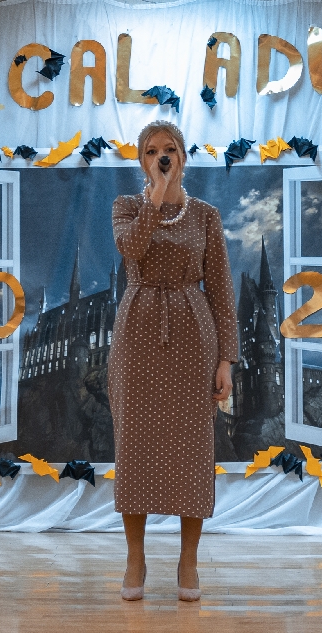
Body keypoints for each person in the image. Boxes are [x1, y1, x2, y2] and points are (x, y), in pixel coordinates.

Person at [108, 120, 238, 602]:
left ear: (183, 156)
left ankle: (189, 560)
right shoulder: (126, 207)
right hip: (137, 333)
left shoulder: (206, 216)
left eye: (169, 150)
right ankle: (135, 558)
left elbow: (221, 287)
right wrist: (157, 195)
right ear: (142, 160)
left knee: (193, 450)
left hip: (192, 335)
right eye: (151, 151)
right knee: (134, 446)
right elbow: (132, 248)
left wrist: (226, 359)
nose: (161, 157)